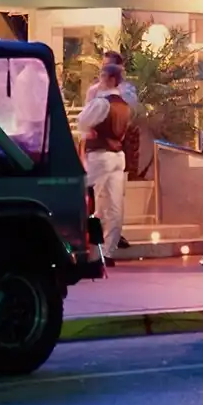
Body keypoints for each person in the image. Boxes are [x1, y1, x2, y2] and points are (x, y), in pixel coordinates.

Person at [76, 61, 133, 264]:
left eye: (101, 76)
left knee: (87, 197)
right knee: (115, 204)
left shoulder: (102, 102)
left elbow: (82, 120)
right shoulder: (124, 105)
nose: (98, 80)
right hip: (118, 156)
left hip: (100, 155)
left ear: (110, 79)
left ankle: (88, 250)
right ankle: (107, 252)